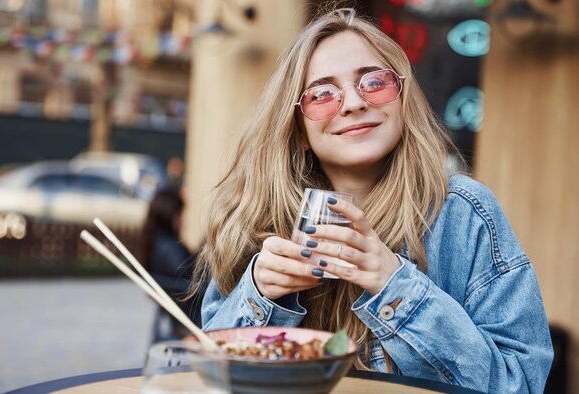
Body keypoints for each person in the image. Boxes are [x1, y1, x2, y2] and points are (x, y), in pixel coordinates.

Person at [189, 8, 553, 393]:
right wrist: (260, 295)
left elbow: (521, 384)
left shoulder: (463, 212)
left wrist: (395, 284)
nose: (353, 103)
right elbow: (213, 381)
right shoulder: (259, 217)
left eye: (374, 82)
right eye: (323, 93)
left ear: (401, 97)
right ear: (298, 127)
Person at [141, 186, 200, 342]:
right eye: (180, 214)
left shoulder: (154, 242)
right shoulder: (172, 249)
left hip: (172, 310)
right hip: (189, 312)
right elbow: (191, 281)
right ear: (170, 215)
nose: (183, 220)